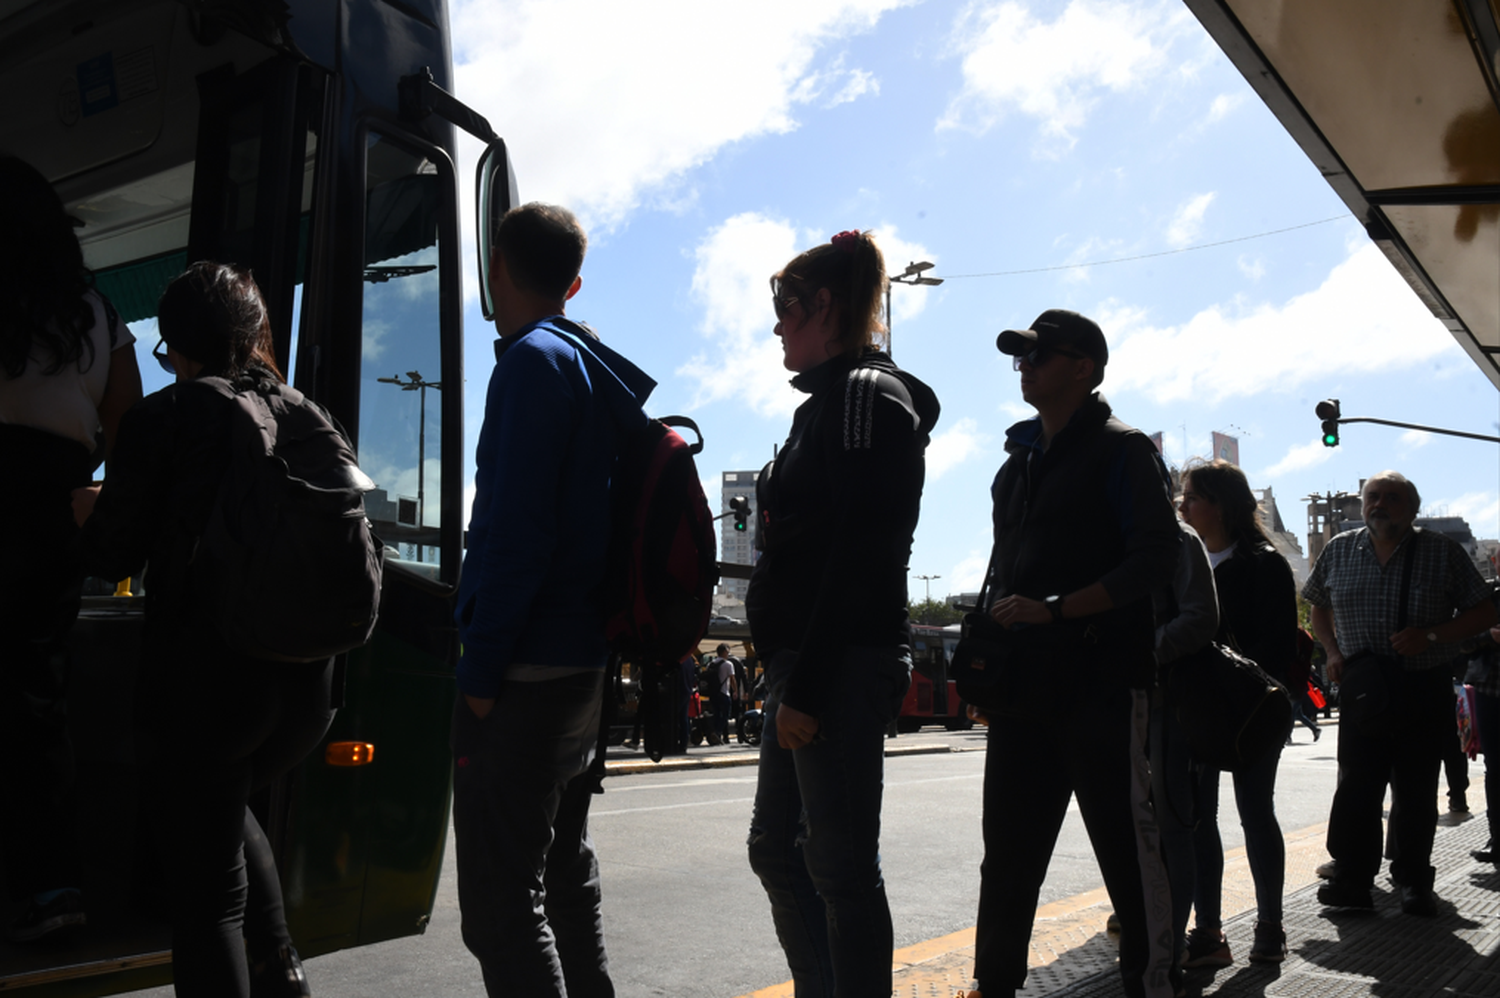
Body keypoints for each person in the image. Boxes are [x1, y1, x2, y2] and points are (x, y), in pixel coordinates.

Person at [73, 262, 326, 997]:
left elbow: (112, 553)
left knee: (208, 899)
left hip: (209, 683)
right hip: (308, 685)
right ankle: (286, 981)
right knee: (225, 812)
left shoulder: (168, 417)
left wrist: (89, 513)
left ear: (176, 348)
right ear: (253, 335)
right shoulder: (306, 412)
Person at [451, 202, 652, 997]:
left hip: (525, 668)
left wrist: (480, 670)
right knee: (564, 870)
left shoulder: (530, 364)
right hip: (581, 663)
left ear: (496, 268)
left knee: (501, 910)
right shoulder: (589, 365)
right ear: (572, 283)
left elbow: (516, 536)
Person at [745, 229, 938, 998]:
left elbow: (864, 551)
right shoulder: (830, 403)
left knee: (840, 867)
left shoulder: (863, 396)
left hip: (835, 663)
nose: (777, 325)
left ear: (826, 305)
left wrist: (809, 687)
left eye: (786, 309)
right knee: (778, 851)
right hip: (808, 662)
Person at [969, 308, 1179, 998]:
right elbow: (1009, 572)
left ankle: (1150, 983)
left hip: (1102, 686)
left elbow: (1154, 561)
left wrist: (1057, 609)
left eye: (1039, 355)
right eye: (1020, 357)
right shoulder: (1017, 463)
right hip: (1024, 690)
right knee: (1006, 859)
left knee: (1126, 851)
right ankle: (994, 985)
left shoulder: (1124, 451)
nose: (1024, 367)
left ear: (1083, 367)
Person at [0, 155, 142, 941]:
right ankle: (55, 887)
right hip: (55, 512)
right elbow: (128, 423)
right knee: (35, 698)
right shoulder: (95, 313)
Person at [1305, 471, 1496, 916]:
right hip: (1362, 690)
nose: (1379, 504)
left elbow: (1483, 612)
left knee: (1414, 787)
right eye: (1373, 496)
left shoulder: (1440, 551)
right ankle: (1353, 878)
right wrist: (1331, 650)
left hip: (1420, 686)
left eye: (1392, 498)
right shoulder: (1339, 550)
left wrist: (1431, 636)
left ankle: (1412, 879)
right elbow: (1317, 605)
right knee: (1357, 787)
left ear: (1412, 509)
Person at [1177, 459, 1298, 964]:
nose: (1182, 505)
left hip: (1249, 709)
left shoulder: (1265, 563)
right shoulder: (1183, 558)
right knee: (1199, 821)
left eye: (1192, 497)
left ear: (1221, 504)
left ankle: (1270, 925)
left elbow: (1279, 646)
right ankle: (1209, 932)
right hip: (1195, 708)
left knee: (1255, 813)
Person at [1150, 519, 1218, 972]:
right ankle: (1150, 940)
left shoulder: (1175, 537)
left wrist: (1136, 655)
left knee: (1176, 829)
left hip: (1166, 701)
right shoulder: (1091, 529)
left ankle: (1170, 950)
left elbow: (1199, 617)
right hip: (1106, 704)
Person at [1465, 621, 1500, 863]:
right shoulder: (1487, 601)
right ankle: (1497, 839)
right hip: (1490, 692)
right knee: (1496, 769)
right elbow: (1459, 638)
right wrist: (1488, 634)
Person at [708, 644, 737, 744]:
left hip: (713, 694)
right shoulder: (728, 664)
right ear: (724, 652)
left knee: (716, 714)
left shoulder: (710, 664)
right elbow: (732, 679)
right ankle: (717, 732)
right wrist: (735, 691)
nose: (728, 654)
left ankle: (715, 736)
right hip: (724, 693)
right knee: (725, 715)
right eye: (728, 652)